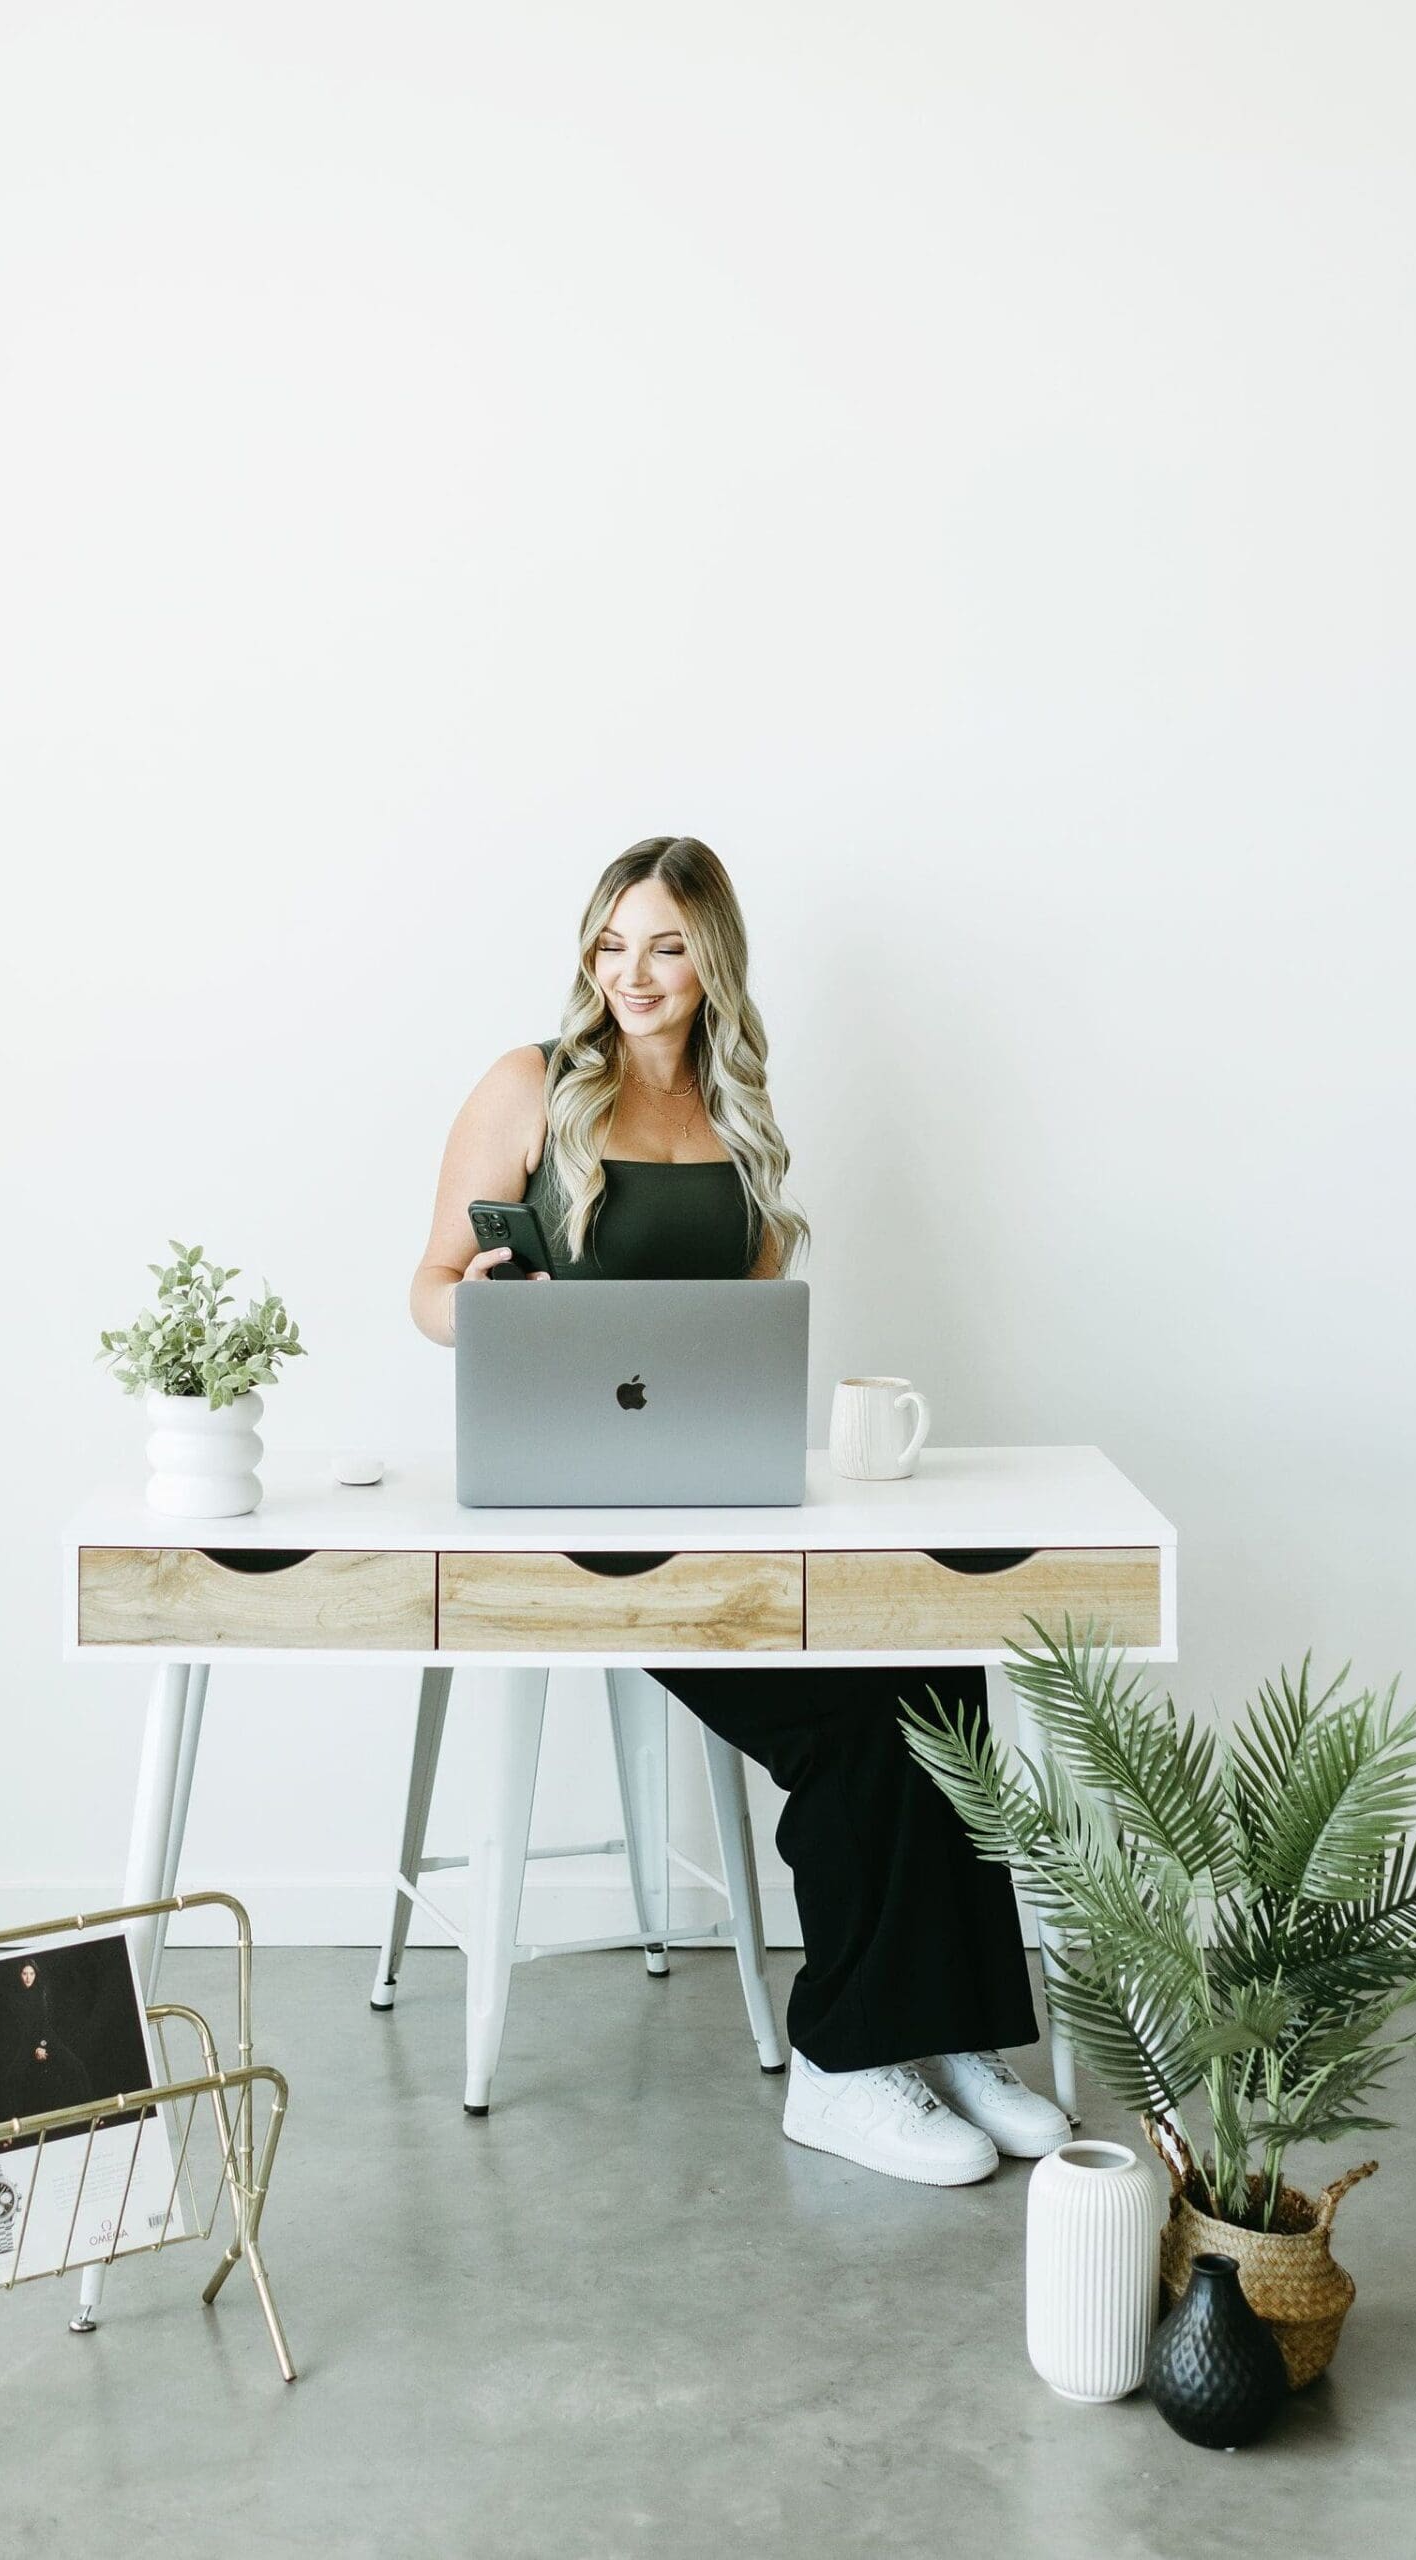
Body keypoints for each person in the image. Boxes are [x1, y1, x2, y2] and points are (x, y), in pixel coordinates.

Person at [409, 834, 1069, 2185]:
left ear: (711, 962)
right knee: (843, 1725)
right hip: (582, 1528)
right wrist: (478, 1307)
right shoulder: (527, 1087)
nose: (633, 974)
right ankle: (840, 2067)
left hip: (729, 1503)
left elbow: (755, 1339)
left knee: (937, 1665)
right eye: (612, 943)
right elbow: (425, 1288)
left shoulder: (736, 1116)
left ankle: (945, 2036)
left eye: (663, 946)